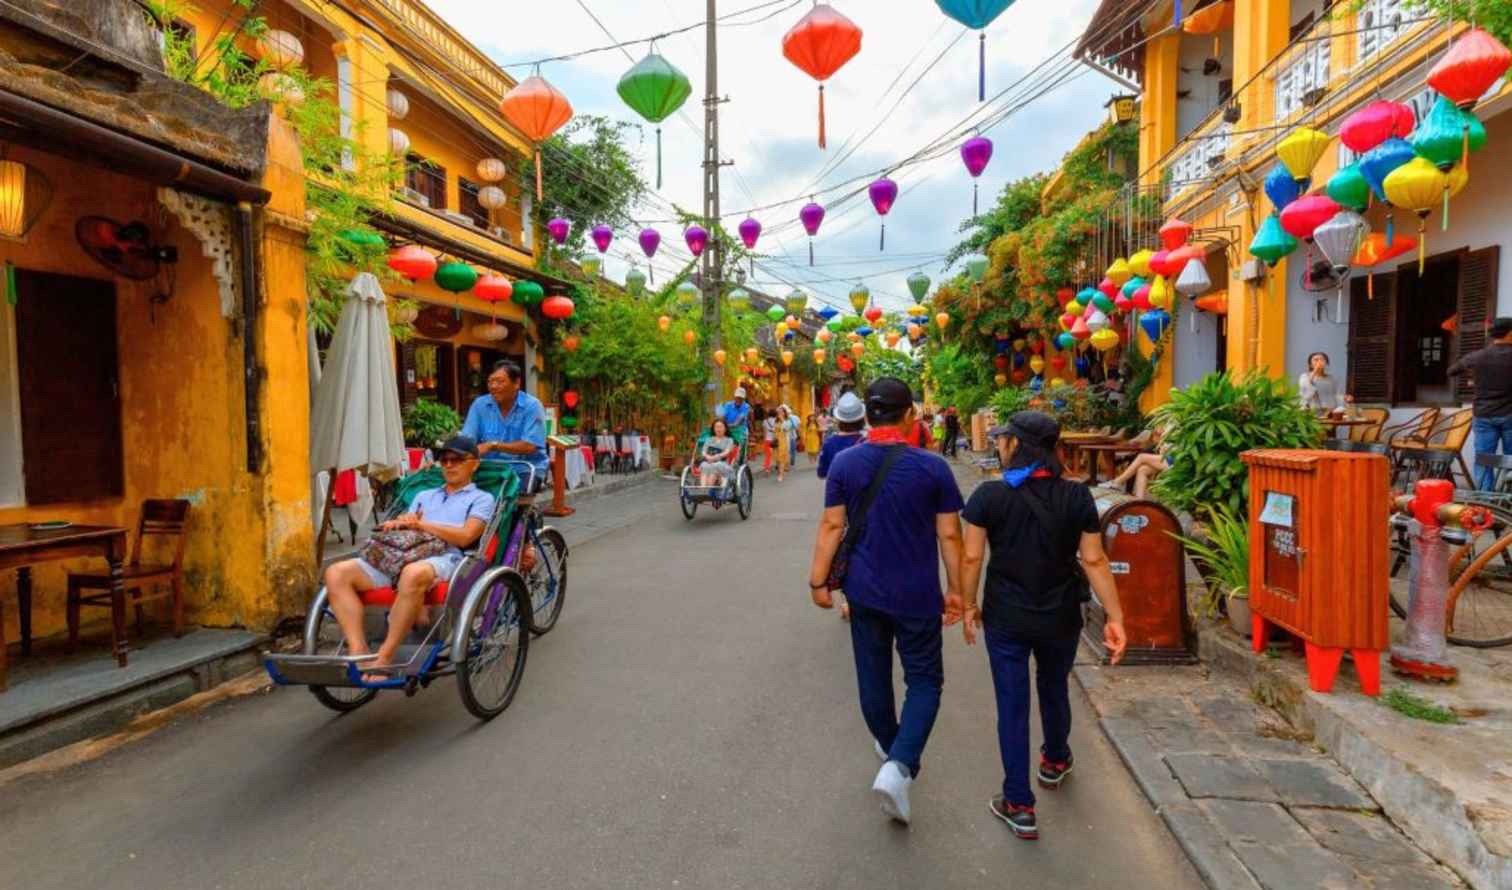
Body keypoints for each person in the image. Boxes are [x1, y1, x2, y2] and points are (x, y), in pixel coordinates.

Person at [959, 413, 1127, 840]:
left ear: (1017, 446)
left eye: (1003, 440)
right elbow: (1093, 560)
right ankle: (1054, 760)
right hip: (1060, 614)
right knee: (1053, 686)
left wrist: (968, 604)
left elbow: (973, 558)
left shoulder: (989, 497)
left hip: (1007, 617)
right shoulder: (1077, 498)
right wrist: (1116, 616)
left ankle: (1018, 803)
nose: (998, 445)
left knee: (1012, 704)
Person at [808, 377, 965, 826]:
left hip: (864, 592)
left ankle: (894, 751)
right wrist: (957, 591)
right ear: (910, 414)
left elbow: (830, 527)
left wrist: (818, 581)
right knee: (925, 681)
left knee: (872, 676)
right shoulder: (933, 468)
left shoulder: (846, 465)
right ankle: (899, 766)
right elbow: (950, 533)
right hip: (917, 593)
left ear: (867, 416)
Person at [323, 436, 495, 678]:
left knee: (413, 573)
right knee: (336, 573)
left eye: (457, 460)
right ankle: (358, 649)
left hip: (446, 556)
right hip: (404, 553)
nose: (449, 465)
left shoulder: (481, 499)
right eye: (444, 460)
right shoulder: (424, 495)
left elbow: (466, 537)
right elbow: (409, 526)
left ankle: (384, 657)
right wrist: (398, 524)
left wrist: (423, 524)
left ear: (474, 464)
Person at [460, 359, 548, 487]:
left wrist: (492, 445)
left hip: (524, 469)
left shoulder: (532, 406)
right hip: (488, 468)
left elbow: (530, 445)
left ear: (517, 383)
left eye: (500, 381)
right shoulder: (480, 404)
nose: (493, 386)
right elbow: (466, 440)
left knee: (507, 495)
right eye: (490, 381)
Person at [1449, 317, 1512, 490]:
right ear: (1510, 333)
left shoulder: (1477, 356)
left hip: (1483, 415)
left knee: (1483, 459)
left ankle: (1486, 501)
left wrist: (1475, 377)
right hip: (1509, 414)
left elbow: (1452, 371)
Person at [1107, 425, 1172, 498]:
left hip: (1175, 461)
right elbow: (1158, 441)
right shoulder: (1167, 426)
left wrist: (1164, 444)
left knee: (1141, 457)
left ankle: (1117, 482)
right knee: (1142, 469)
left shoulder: (1177, 427)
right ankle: (1139, 500)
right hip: (1166, 458)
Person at [817, 392, 866, 480]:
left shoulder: (829, 443)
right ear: (862, 419)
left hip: (837, 491)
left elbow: (822, 473)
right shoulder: (867, 442)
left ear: (838, 419)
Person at [698, 419, 737, 490]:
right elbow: (703, 451)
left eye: (721, 427)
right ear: (713, 429)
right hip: (709, 461)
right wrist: (707, 456)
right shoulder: (709, 439)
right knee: (704, 465)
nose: (718, 429)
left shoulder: (729, 440)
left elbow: (727, 452)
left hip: (722, 463)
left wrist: (716, 456)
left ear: (725, 429)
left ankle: (708, 490)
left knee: (716, 465)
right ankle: (703, 489)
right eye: (716, 427)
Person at [774, 404, 796, 482]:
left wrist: (782, 419)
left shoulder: (788, 421)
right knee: (777, 459)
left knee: (782, 458)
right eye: (779, 412)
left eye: (781, 412)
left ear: (784, 413)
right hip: (777, 441)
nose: (779, 413)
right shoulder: (776, 420)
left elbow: (786, 428)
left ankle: (780, 475)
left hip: (784, 441)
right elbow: (775, 430)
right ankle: (781, 471)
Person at [762, 408, 777, 476]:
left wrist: (764, 439)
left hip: (767, 439)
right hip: (775, 439)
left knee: (768, 455)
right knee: (776, 453)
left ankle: (767, 468)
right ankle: (778, 465)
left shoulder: (765, 421)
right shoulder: (777, 421)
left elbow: (764, 432)